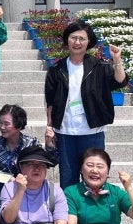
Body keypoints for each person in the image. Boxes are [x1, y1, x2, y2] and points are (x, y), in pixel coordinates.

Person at [45, 21, 128, 188]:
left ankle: (93, 205)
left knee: (93, 177)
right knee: (68, 178)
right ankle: (70, 206)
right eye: (73, 38)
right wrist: (50, 127)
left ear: (89, 42)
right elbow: (51, 102)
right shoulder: (57, 69)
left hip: (92, 131)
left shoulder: (99, 66)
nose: (77, 42)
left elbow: (120, 81)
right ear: (67, 40)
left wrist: (117, 60)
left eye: (82, 39)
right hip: (65, 131)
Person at [0, 104, 56, 193]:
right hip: (1, 188)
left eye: (6, 124)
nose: (2, 127)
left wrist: (49, 144)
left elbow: (50, 162)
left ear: (19, 125)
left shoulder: (31, 143)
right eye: (0, 123)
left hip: (27, 186)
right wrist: (9, 178)